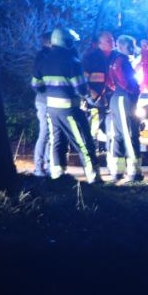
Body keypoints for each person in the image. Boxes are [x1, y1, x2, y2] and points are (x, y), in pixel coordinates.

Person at [31, 27, 103, 183]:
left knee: (56, 141)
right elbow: (81, 88)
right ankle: (94, 176)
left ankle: (57, 176)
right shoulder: (73, 62)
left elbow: (36, 85)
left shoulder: (44, 59)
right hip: (70, 109)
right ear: (66, 42)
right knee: (83, 142)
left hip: (51, 109)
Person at [105, 34, 144, 183]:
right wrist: (134, 92)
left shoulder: (116, 60)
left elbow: (111, 82)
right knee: (130, 134)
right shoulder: (121, 61)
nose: (133, 49)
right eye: (130, 46)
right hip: (124, 98)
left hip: (117, 98)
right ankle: (135, 172)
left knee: (118, 135)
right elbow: (127, 83)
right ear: (121, 46)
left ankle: (117, 171)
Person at [81, 31, 114, 166]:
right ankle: (90, 159)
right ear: (100, 43)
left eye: (112, 39)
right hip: (94, 99)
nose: (112, 42)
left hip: (110, 98)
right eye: (108, 40)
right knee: (92, 129)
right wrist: (91, 93)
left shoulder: (115, 56)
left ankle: (112, 159)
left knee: (112, 130)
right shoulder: (91, 57)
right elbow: (82, 78)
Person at [30, 32, 53, 177]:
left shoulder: (46, 56)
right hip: (45, 100)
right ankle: (39, 166)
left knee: (50, 134)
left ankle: (48, 165)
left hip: (48, 99)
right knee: (45, 132)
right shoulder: (43, 57)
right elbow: (35, 82)